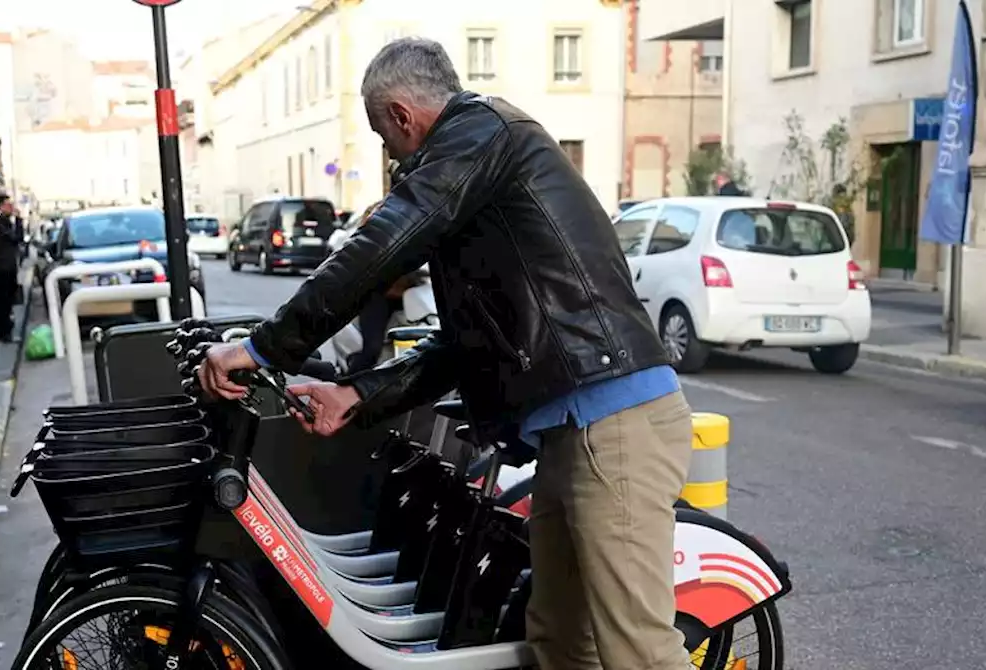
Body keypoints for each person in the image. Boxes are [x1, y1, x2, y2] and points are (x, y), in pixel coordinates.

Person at [199, 37, 693, 670]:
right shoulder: (483, 159)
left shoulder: (483, 132)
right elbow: (465, 345)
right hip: (576, 430)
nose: (389, 154)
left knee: (637, 650)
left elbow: (382, 246)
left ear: (403, 117)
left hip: (612, 423)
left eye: (385, 137)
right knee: (559, 640)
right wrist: (356, 395)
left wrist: (266, 348)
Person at [347, 201, 426, 373]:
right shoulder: (364, 246)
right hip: (376, 298)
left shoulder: (411, 238)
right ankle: (348, 386)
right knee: (372, 349)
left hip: (409, 298)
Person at [0, 194, 24, 342]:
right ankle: (3, 333)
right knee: (2, 302)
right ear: (0, 206)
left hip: (6, 266)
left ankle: (6, 329)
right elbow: (16, 238)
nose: (12, 207)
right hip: (1, 268)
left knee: (6, 300)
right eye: (8, 204)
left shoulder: (3, 221)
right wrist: (19, 220)